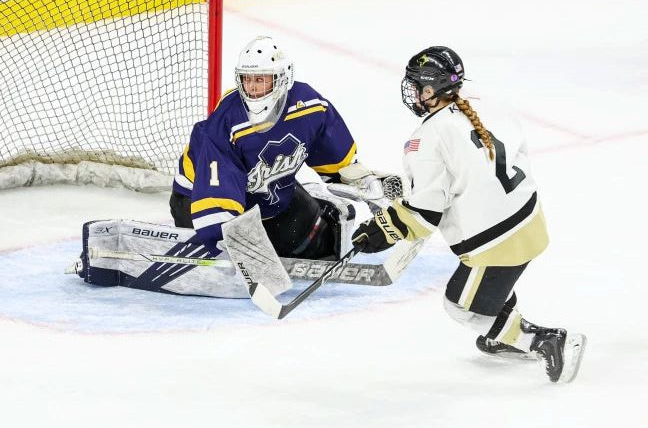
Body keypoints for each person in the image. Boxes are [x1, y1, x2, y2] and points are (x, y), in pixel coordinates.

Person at [350, 46, 586, 383]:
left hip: (499, 246)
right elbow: (479, 167)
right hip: (531, 221)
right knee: (483, 287)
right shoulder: (485, 107)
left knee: (460, 305)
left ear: (430, 91)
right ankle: (500, 331)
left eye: (416, 85)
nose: (412, 91)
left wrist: (381, 229)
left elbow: (424, 214)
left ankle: (543, 341)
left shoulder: (423, 140)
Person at [170, 35, 361, 260]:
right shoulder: (226, 122)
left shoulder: (308, 105)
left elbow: (334, 157)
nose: (251, 87)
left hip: (268, 193)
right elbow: (216, 191)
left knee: (318, 246)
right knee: (225, 259)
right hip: (198, 199)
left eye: (260, 79)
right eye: (246, 79)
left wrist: (360, 180)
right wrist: (225, 240)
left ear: (283, 78)